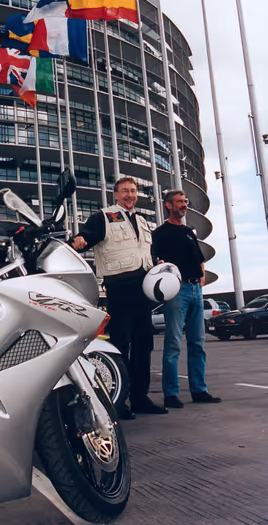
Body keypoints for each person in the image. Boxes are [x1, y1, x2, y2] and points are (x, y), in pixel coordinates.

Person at [72, 177, 168, 417]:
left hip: (143, 289)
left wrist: (158, 263)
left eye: (133, 191)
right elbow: (87, 235)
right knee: (121, 344)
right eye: (125, 191)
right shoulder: (103, 216)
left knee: (143, 345)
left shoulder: (143, 222)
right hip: (119, 287)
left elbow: (147, 251)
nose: (130, 195)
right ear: (115, 194)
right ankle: (119, 400)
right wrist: (80, 240)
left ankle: (140, 398)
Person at [152, 190, 221, 409]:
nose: (183, 205)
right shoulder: (160, 233)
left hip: (195, 290)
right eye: (179, 202)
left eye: (185, 202)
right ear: (168, 206)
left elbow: (199, 258)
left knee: (197, 343)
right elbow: (155, 260)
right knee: (173, 343)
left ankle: (199, 390)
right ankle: (171, 394)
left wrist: (201, 277)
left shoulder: (189, 232)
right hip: (177, 291)